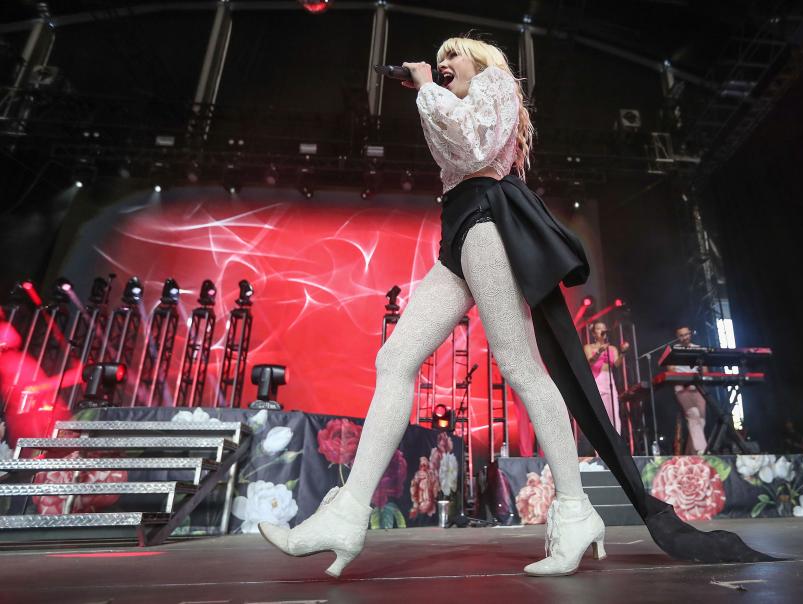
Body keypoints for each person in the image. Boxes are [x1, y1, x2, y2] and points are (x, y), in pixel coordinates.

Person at [258, 35, 772, 578]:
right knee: (395, 360)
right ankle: (348, 515)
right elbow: (452, 151)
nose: (443, 62)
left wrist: (430, 89)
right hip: (458, 232)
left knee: (522, 366)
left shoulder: (496, 83)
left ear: (480, 60)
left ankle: (574, 511)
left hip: (486, 223)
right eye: (440, 58)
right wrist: (431, 95)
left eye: (453, 54)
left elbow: (476, 148)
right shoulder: (445, 99)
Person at [669, 325, 708, 454]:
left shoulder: (698, 349)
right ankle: (701, 451)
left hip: (698, 388)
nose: (685, 337)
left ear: (690, 334)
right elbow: (670, 370)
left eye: (686, 334)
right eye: (681, 335)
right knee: (693, 416)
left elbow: (706, 370)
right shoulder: (673, 350)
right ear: (677, 337)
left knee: (700, 421)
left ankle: (689, 455)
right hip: (682, 388)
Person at [583, 321, 629, 434]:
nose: (602, 330)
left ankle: (616, 443)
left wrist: (623, 353)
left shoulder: (612, 348)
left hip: (609, 380)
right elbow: (590, 361)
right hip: (596, 380)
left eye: (604, 328)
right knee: (599, 415)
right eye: (598, 328)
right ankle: (600, 449)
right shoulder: (588, 347)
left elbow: (617, 364)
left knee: (614, 413)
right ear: (593, 334)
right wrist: (599, 351)